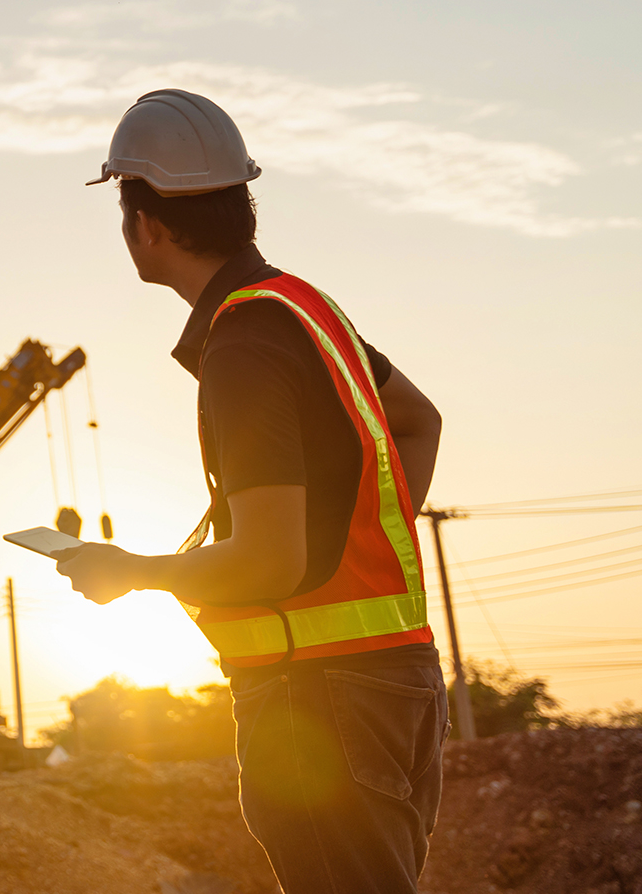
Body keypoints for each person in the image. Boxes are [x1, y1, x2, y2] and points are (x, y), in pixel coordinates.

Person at [55, 90, 450, 893]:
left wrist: (132, 572)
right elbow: (419, 421)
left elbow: (270, 560)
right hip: (395, 681)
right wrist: (351, 538)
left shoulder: (243, 342)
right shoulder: (305, 309)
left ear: (146, 227)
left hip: (320, 701)